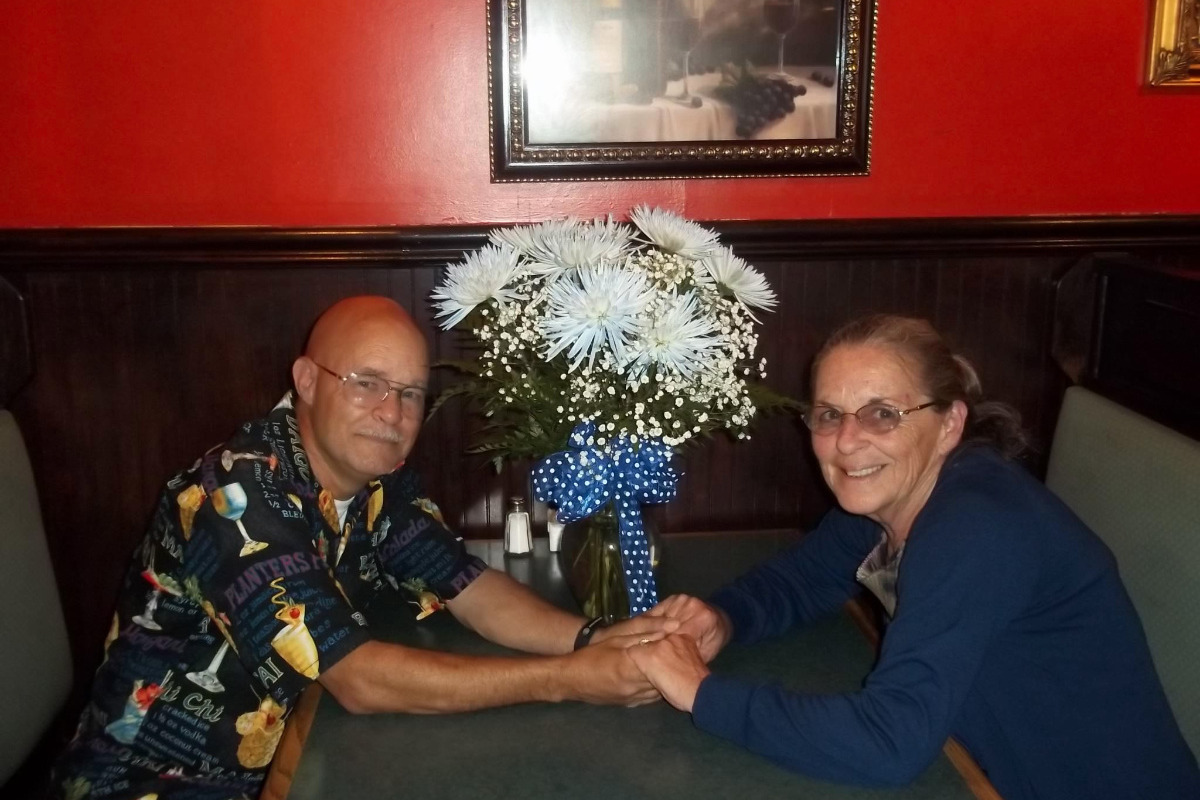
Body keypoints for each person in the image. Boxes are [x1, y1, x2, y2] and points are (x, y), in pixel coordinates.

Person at [52, 296, 674, 800]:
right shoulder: (233, 496)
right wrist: (570, 679)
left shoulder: (381, 483)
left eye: (410, 393)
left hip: (301, 759)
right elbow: (357, 679)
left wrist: (600, 639)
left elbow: (469, 586)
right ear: (306, 381)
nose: (391, 412)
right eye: (366, 383)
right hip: (156, 783)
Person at [629, 314, 1200, 800]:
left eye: (882, 413)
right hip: (980, 764)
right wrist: (723, 618)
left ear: (949, 424)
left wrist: (701, 692)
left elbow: (888, 743)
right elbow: (803, 579)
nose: (847, 441)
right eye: (829, 414)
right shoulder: (888, 499)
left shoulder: (977, 526)